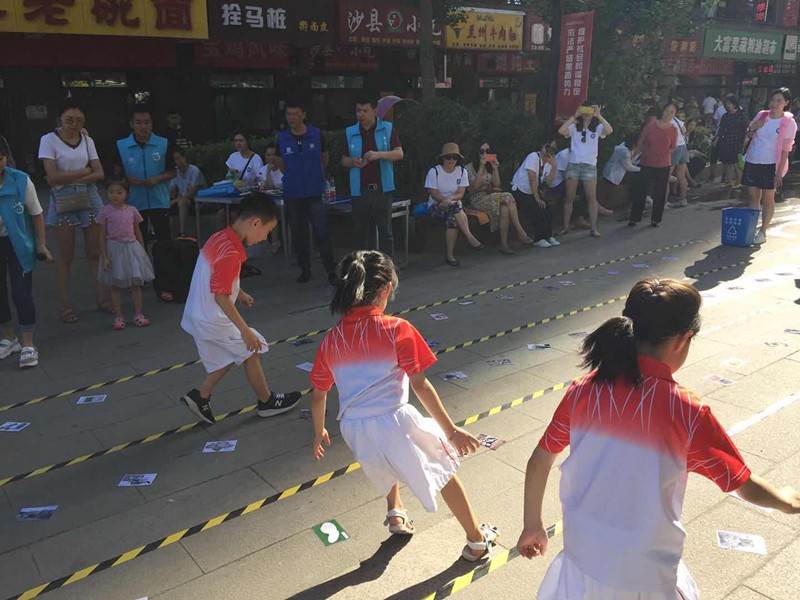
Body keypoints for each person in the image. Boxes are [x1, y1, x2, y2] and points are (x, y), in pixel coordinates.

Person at [516, 278, 800, 600]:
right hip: (644, 577)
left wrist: (532, 524)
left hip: (582, 561)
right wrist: (787, 501)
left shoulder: (583, 391)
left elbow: (540, 458)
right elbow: (743, 483)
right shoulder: (686, 411)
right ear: (682, 339)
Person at [310, 250, 500, 562]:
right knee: (443, 467)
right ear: (385, 290)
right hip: (394, 419)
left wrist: (319, 431)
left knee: (386, 460)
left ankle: (395, 513)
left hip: (354, 426)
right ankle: (477, 541)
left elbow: (319, 394)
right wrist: (451, 432)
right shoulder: (397, 329)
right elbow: (420, 385)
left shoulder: (331, 340)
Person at [179, 192, 302, 425]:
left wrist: (239, 291)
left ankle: (200, 396)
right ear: (255, 223)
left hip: (198, 312)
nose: (265, 238)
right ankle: (266, 401)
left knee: (230, 355)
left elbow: (218, 277)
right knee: (250, 348)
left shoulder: (219, 238)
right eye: (267, 231)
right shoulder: (231, 252)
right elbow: (221, 297)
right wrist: (245, 331)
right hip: (212, 317)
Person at [39, 101, 107, 323]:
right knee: (66, 256)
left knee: (95, 252)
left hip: (89, 194)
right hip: (64, 198)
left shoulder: (87, 140)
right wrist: (84, 171)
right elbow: (52, 175)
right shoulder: (48, 140)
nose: (74, 124)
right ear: (60, 119)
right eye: (69, 120)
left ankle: (102, 298)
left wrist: (69, 177)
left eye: (79, 120)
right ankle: (66, 305)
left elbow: (99, 173)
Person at [0, 137, 52, 369]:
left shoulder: (20, 180)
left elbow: (36, 214)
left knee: (22, 293)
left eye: (0, 158)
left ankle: (28, 343)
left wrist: (42, 244)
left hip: (18, 244)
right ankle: (8, 338)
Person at [275, 101, 336, 285]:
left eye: (295, 114)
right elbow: (281, 163)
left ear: (303, 114)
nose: (291, 118)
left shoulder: (316, 135)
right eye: (288, 114)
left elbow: (324, 160)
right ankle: (305, 269)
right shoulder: (282, 138)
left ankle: (331, 269)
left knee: (321, 231)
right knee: (298, 233)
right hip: (293, 194)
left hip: (314, 192)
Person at [341, 98, 404, 256]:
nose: (361, 115)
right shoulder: (350, 132)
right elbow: (343, 160)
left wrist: (378, 155)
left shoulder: (387, 128)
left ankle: (386, 267)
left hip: (381, 189)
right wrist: (353, 162)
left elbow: (399, 153)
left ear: (375, 111)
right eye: (358, 111)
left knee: (385, 233)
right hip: (360, 190)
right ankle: (361, 267)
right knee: (359, 234)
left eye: (365, 111)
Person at [742, 87, 798, 245]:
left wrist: (779, 173)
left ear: (786, 103)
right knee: (753, 196)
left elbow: (786, 150)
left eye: (779, 101)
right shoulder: (762, 115)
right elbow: (749, 134)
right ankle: (752, 229)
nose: (774, 104)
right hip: (753, 160)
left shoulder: (789, 123)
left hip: (771, 164)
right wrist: (753, 127)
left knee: (768, 198)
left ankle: (762, 231)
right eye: (772, 100)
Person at [97, 178, 154, 330]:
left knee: (135, 284)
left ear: (127, 194)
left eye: (119, 192)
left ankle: (138, 313)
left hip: (131, 247)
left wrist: (142, 252)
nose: (115, 195)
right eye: (111, 192)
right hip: (114, 249)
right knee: (115, 284)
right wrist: (105, 256)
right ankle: (119, 316)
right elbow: (101, 236)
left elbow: (138, 232)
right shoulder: (105, 211)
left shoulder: (132, 211)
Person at [117, 105, 176, 245]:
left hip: (159, 200)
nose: (143, 126)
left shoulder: (163, 144)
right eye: (138, 122)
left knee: (164, 243)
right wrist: (126, 179)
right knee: (138, 243)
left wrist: (157, 179)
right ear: (131, 124)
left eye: (147, 122)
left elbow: (173, 171)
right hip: (133, 202)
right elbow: (115, 173)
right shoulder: (121, 146)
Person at [464, 142, 533, 254]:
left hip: (491, 196)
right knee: (508, 196)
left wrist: (495, 169)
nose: (485, 154)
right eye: (482, 151)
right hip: (477, 198)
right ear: (476, 153)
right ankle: (520, 230)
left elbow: (497, 186)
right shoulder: (469, 168)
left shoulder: (489, 166)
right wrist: (481, 166)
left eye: (488, 151)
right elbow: (475, 187)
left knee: (504, 208)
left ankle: (504, 245)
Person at [557, 102, 614, 238]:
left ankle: (593, 228)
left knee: (591, 197)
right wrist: (574, 116)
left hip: (589, 165)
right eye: (585, 109)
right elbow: (561, 131)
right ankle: (566, 227)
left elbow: (609, 130)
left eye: (590, 110)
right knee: (569, 197)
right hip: (574, 164)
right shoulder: (575, 126)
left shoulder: (597, 127)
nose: (587, 113)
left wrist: (599, 116)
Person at [424, 143, 483, 267]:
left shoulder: (462, 172)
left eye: (454, 157)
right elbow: (434, 194)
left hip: (454, 205)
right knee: (455, 208)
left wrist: (450, 199)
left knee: (453, 218)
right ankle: (469, 236)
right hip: (436, 205)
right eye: (448, 157)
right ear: (442, 158)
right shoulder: (434, 172)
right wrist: (444, 201)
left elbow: (460, 193)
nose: (451, 160)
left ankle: (450, 255)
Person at [629, 103, 678, 228]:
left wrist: (664, 153)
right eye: (667, 110)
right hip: (647, 162)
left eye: (672, 112)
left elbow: (673, 147)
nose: (668, 114)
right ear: (663, 111)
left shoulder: (673, 129)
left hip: (663, 164)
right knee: (641, 190)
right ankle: (635, 217)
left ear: (674, 115)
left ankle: (656, 219)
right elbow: (641, 142)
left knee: (660, 192)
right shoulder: (651, 126)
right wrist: (634, 156)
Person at [510, 142, 562, 249]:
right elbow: (532, 179)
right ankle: (538, 239)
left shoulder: (549, 164)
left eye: (552, 149)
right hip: (520, 190)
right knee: (537, 208)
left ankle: (548, 236)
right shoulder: (533, 157)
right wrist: (537, 198)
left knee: (547, 208)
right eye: (547, 146)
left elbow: (548, 182)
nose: (548, 150)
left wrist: (554, 167)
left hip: (532, 192)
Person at [169, 146, 206, 237]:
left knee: (182, 202)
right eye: (173, 160)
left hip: (198, 201)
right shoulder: (175, 172)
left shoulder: (195, 171)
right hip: (182, 199)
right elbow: (171, 190)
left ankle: (182, 233)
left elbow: (190, 194)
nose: (176, 162)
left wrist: (174, 201)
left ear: (184, 158)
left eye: (177, 158)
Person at [716, 95, 748, 190]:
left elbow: (746, 128)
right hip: (726, 140)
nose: (728, 105)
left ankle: (739, 181)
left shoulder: (741, 115)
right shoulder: (725, 116)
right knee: (726, 162)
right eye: (726, 104)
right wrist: (717, 138)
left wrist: (745, 139)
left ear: (734, 104)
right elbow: (721, 129)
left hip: (737, 140)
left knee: (736, 162)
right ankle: (729, 181)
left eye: (729, 103)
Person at [257, 143, 283, 254]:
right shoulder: (262, 170)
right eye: (268, 155)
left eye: (273, 155)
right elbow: (265, 186)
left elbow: (272, 186)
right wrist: (268, 171)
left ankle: (275, 242)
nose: (271, 158)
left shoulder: (283, 169)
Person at [667, 109, 691, 208]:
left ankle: (663, 202)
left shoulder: (666, 121)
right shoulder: (677, 120)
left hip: (674, 148)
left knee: (666, 176)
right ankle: (683, 199)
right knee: (681, 175)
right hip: (682, 147)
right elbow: (684, 131)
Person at [684, 118, 708, 186]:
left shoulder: (692, 135)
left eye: (694, 125)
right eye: (691, 125)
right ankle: (689, 181)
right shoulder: (682, 134)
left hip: (688, 155)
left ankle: (690, 180)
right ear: (687, 125)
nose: (692, 127)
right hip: (682, 155)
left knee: (701, 162)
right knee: (692, 164)